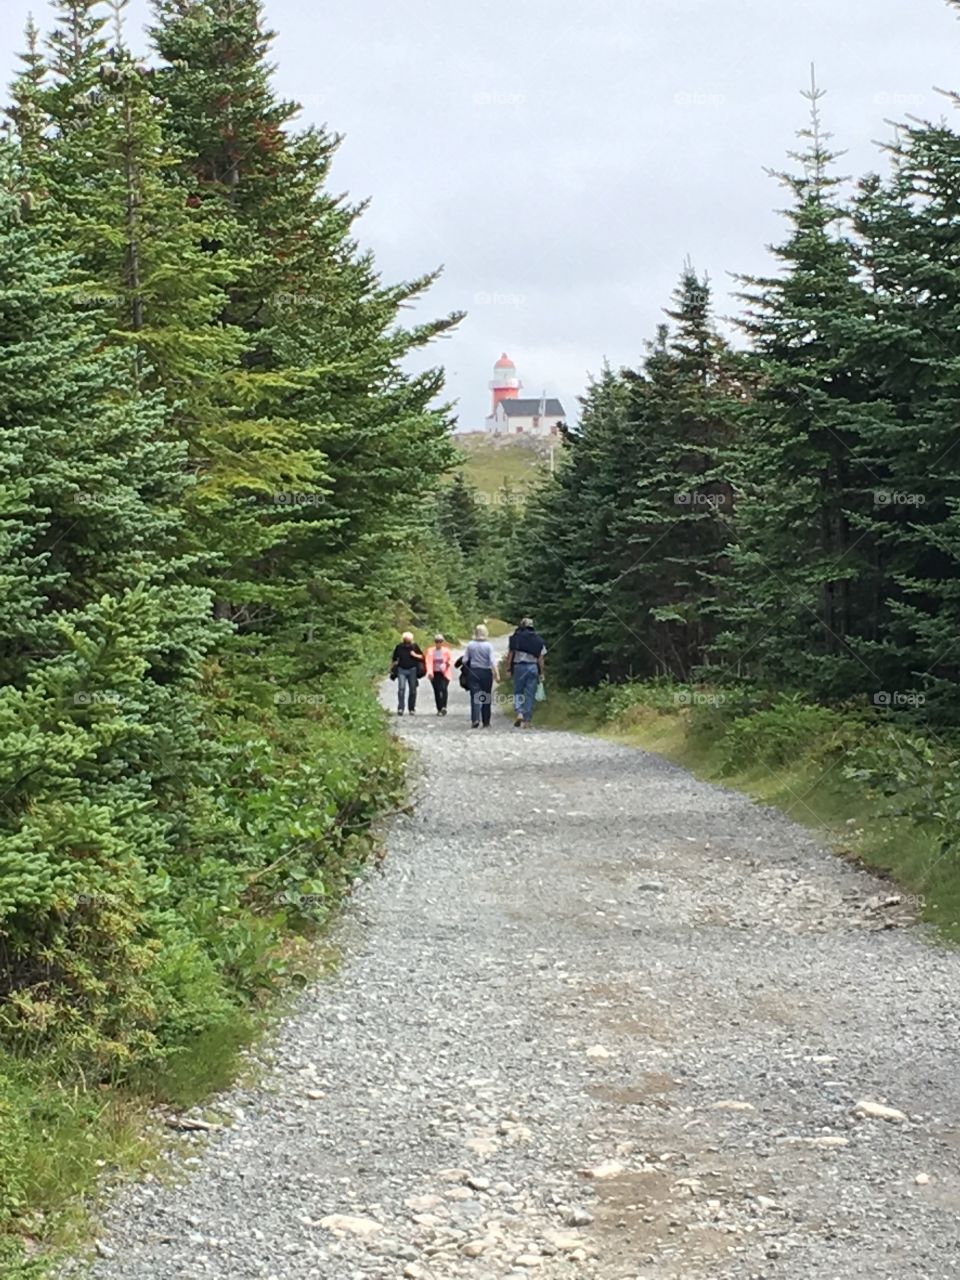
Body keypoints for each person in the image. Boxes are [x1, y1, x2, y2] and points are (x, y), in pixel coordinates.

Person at [505, 616, 546, 728]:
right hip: (532, 667)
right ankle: (527, 721)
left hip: (519, 667)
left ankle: (519, 712)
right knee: (530, 694)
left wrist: (508, 669)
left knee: (518, 691)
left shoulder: (515, 638)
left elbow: (510, 655)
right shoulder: (538, 640)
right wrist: (541, 672)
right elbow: (541, 658)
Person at [459, 623, 499, 729]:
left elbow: (464, 660)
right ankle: (486, 721)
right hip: (486, 672)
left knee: (475, 696)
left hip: (473, 672)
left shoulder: (470, 645)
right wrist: (496, 674)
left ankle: (475, 719)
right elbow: (492, 661)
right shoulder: (488, 646)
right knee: (486, 696)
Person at [389, 631, 425, 716]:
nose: (407, 642)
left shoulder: (414, 646)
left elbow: (422, 657)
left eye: (409, 640)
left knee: (412, 690)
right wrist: (391, 669)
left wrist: (415, 655)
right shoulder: (399, 647)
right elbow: (394, 659)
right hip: (401, 670)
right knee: (401, 689)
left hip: (412, 670)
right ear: (403, 639)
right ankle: (401, 708)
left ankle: (411, 708)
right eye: (406, 640)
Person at [425, 633, 453, 715]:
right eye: (437, 641)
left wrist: (447, 664)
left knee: (443, 689)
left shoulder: (446, 651)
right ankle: (439, 708)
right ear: (435, 642)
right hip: (435, 673)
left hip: (444, 673)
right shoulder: (430, 651)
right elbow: (428, 662)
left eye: (440, 641)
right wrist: (430, 673)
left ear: (442, 642)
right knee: (437, 690)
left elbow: (450, 660)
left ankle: (444, 706)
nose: (438, 643)